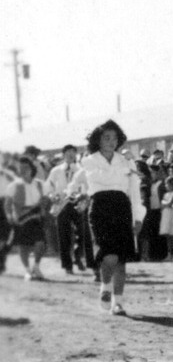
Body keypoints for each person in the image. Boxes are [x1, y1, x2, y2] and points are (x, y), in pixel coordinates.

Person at [70, 120, 145, 315]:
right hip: (100, 208)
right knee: (108, 255)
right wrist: (123, 170)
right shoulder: (88, 161)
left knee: (121, 259)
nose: (112, 142)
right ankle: (105, 285)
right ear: (98, 140)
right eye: (107, 137)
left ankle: (117, 302)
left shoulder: (126, 161)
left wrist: (138, 217)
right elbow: (96, 180)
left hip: (122, 208)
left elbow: (134, 190)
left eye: (115, 138)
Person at [45, 144, 89, 275]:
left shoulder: (81, 169)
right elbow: (49, 187)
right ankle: (67, 265)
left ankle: (77, 255)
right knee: (63, 235)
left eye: (73, 153)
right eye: (68, 153)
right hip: (62, 204)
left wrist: (84, 198)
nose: (71, 155)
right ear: (63, 155)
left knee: (82, 233)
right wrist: (52, 196)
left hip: (77, 202)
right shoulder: (56, 170)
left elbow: (86, 185)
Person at [4, 156, 48, 281]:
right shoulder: (13, 185)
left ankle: (36, 266)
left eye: (26, 167)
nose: (23, 170)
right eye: (20, 168)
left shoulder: (40, 184)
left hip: (36, 218)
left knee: (40, 243)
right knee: (23, 246)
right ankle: (28, 271)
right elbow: (8, 204)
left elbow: (45, 199)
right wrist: (9, 216)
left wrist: (44, 207)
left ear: (31, 169)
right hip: (21, 218)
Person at [160, 176, 173, 261]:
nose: (166, 186)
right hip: (165, 214)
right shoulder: (165, 194)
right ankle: (169, 254)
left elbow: (169, 203)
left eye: (168, 184)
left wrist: (165, 203)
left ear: (172, 185)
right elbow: (162, 204)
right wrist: (165, 203)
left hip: (172, 214)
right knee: (167, 236)